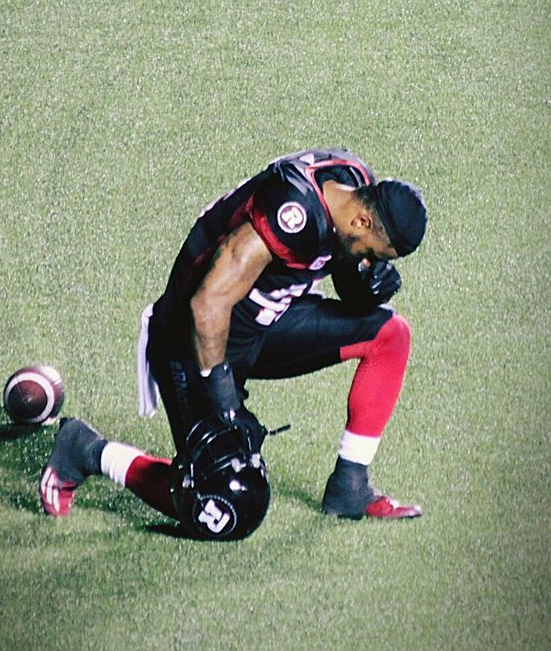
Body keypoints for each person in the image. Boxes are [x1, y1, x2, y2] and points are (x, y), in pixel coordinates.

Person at [40, 147, 428, 538]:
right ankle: (86, 450)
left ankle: (350, 488)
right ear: (362, 219)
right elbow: (207, 304)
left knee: (389, 334)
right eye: (374, 254)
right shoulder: (293, 214)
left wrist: (365, 288)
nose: (371, 261)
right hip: (194, 341)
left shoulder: (354, 186)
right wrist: (224, 403)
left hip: (263, 325)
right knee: (225, 505)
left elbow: (338, 260)